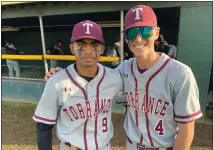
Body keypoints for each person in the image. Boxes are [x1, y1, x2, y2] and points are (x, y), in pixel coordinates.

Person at [45, 5, 203, 150]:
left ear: (156, 32)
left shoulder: (180, 73)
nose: (138, 39)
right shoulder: (123, 69)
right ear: (126, 38)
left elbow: (187, 129)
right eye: (132, 32)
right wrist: (62, 75)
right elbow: (96, 76)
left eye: (145, 31)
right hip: (132, 145)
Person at [33, 20, 124, 150]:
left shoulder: (115, 79)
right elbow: (43, 126)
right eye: (81, 44)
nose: (88, 51)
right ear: (72, 48)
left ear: (102, 49)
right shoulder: (56, 81)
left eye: (94, 45)